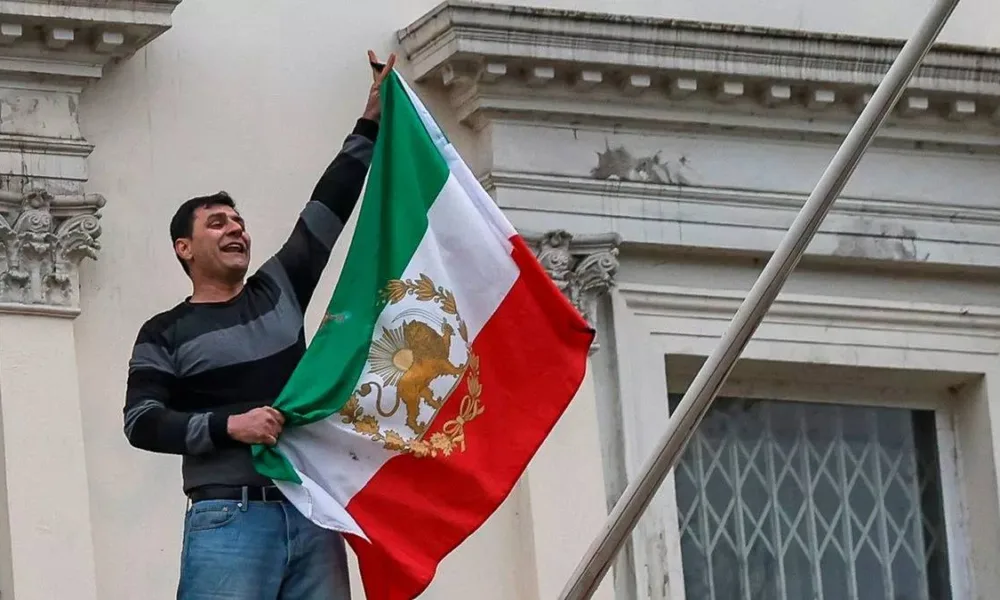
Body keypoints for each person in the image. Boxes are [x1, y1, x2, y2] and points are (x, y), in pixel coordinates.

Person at [122, 50, 397, 599]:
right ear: (183, 247)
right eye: (216, 223)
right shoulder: (163, 332)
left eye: (239, 221)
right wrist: (231, 426)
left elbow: (328, 206)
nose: (236, 229)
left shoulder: (279, 290)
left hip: (310, 510)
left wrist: (370, 120)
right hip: (227, 518)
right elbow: (141, 422)